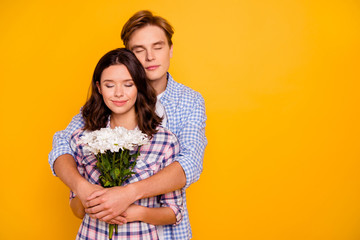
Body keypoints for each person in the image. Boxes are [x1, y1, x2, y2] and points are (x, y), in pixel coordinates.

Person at [49, 10, 207, 239]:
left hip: (168, 233)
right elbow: (63, 144)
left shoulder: (189, 101)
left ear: (170, 49)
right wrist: (84, 191)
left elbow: (190, 163)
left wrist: (126, 196)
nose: (150, 57)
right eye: (139, 50)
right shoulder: (104, 108)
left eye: (158, 46)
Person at [70, 48, 183, 239]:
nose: (119, 93)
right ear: (98, 88)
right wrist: (91, 199)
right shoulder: (83, 139)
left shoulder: (164, 141)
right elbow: (77, 210)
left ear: (139, 86)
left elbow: (173, 212)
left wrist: (134, 212)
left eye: (128, 84)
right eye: (109, 85)